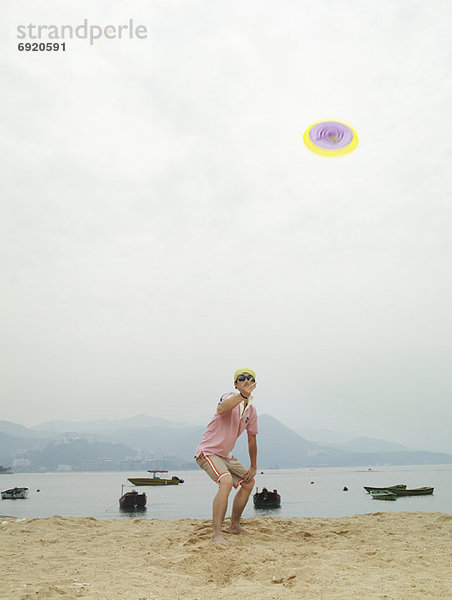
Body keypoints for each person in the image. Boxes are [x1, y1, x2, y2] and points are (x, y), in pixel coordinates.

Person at [194, 367, 258, 545]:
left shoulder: (251, 410)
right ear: (236, 383)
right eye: (241, 378)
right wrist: (242, 396)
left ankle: (234, 526)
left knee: (248, 481)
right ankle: (216, 534)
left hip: (225, 455)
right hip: (208, 452)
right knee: (226, 481)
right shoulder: (230, 396)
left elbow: (252, 439)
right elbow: (222, 409)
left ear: (254, 383)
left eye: (250, 378)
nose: (246, 380)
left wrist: (253, 466)